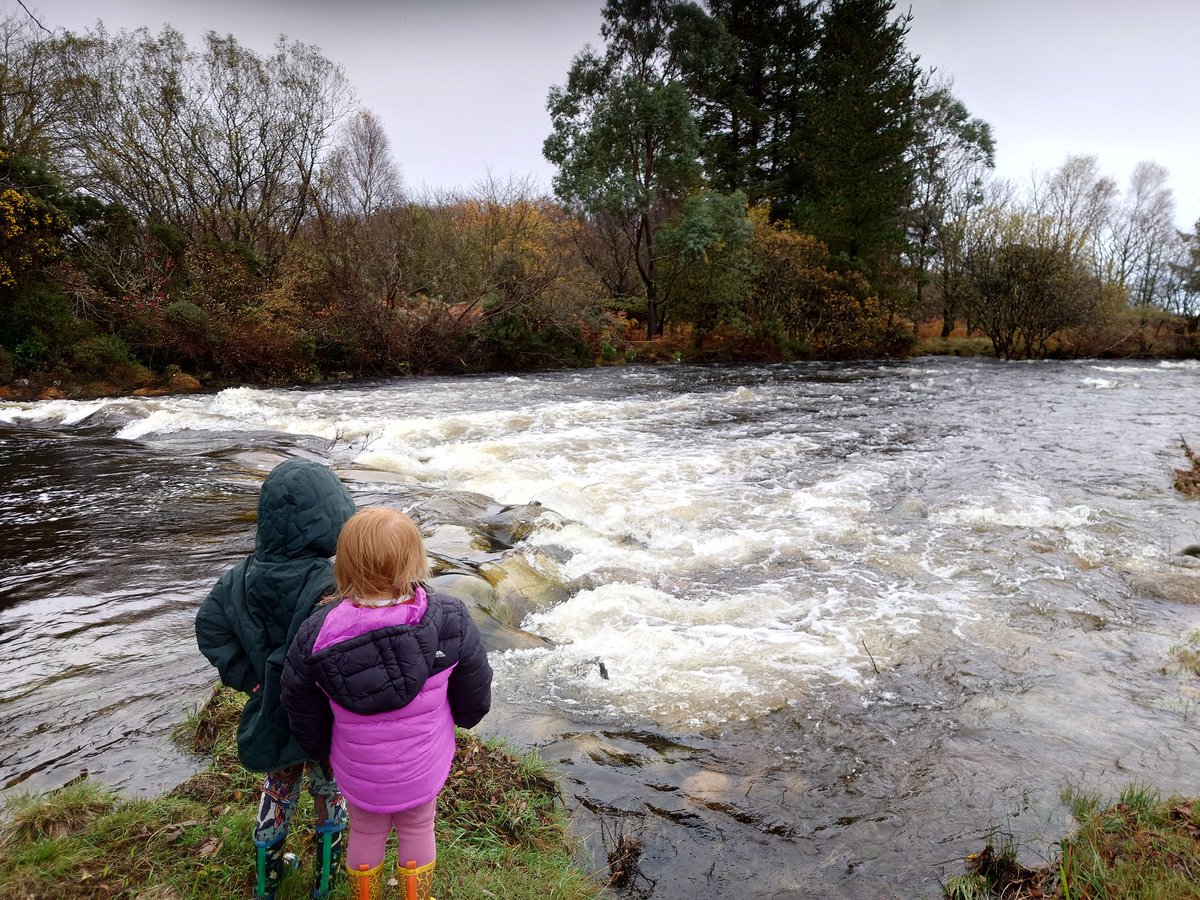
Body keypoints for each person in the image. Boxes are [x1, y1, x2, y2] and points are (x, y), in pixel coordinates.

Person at [281, 507, 493, 900]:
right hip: (422, 763)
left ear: (344, 565)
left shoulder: (319, 630)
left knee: (364, 830)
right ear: (416, 560)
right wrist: (465, 718)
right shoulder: (449, 618)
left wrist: (319, 748)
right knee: (417, 827)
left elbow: (297, 697)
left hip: (359, 769)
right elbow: (475, 685)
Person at [195, 459, 356, 900]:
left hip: (271, 711)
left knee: (278, 789)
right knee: (329, 789)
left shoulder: (237, 578)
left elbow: (209, 626)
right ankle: (326, 883)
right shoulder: (332, 581)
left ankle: (267, 881)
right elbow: (344, 647)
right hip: (321, 717)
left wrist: (251, 680)